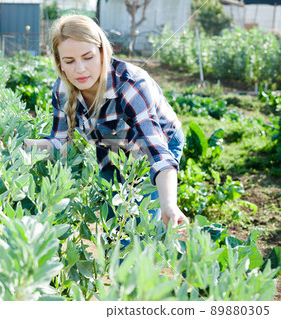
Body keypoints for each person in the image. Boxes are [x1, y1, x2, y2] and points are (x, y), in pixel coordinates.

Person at [23, 14, 188, 231]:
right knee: (111, 224)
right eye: (69, 61)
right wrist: (24, 147)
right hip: (111, 148)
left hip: (156, 144)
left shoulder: (130, 85)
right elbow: (60, 144)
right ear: (59, 63)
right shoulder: (62, 90)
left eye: (87, 57)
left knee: (137, 228)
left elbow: (157, 152)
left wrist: (169, 204)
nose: (79, 69)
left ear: (102, 53)